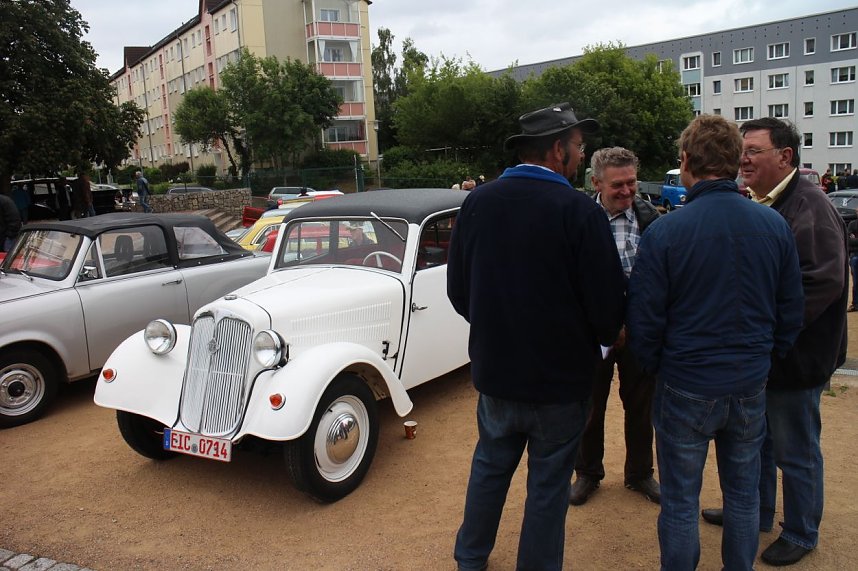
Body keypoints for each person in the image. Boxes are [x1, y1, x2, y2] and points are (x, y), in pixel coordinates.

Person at [447, 102, 626, 571]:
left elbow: (458, 290)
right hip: (561, 382)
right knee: (548, 486)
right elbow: (607, 304)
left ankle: (469, 559)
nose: (582, 156)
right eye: (578, 146)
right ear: (556, 150)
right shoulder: (578, 211)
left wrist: (498, 329)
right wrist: (598, 342)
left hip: (497, 372)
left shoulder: (478, 203)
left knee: (489, 468)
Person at [627, 114, 804, 571]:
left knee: (682, 501)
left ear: (686, 162)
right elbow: (790, 311)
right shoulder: (772, 225)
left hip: (687, 381)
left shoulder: (666, 232)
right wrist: (765, 358)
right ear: (735, 160)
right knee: (743, 496)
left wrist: (656, 366)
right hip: (746, 381)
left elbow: (645, 321)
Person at [701, 117, 847, 567]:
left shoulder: (810, 204)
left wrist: (766, 332)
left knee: (796, 449)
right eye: (742, 150)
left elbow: (819, 283)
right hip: (769, 356)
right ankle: (756, 513)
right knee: (758, 441)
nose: (742, 159)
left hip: (796, 357)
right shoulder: (767, 202)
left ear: (784, 157)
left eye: (753, 151)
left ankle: (802, 532)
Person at [568, 147, 661, 507]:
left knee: (641, 407)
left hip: (639, 330)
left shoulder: (650, 216)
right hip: (592, 333)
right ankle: (588, 473)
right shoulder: (579, 219)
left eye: (632, 183)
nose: (626, 192)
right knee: (590, 406)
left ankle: (640, 474)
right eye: (617, 185)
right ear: (596, 182)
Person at [848, 215, 858, 312]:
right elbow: (849, 241)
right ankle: (855, 304)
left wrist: (855, 239)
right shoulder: (852, 224)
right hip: (855, 255)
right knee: (856, 281)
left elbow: (853, 240)